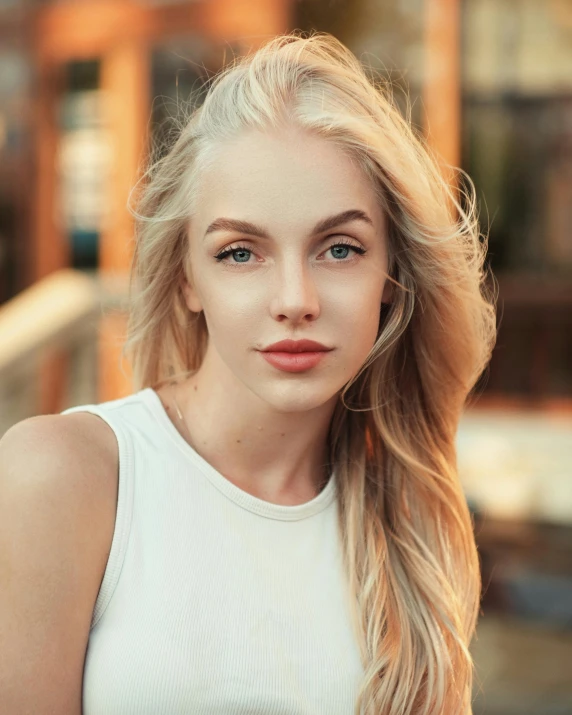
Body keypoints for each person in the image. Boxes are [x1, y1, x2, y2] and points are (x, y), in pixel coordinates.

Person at [0, 31, 497, 715]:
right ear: (185, 280)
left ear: (393, 275)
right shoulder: (62, 478)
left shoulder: (412, 523)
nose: (295, 299)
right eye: (241, 253)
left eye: (340, 248)